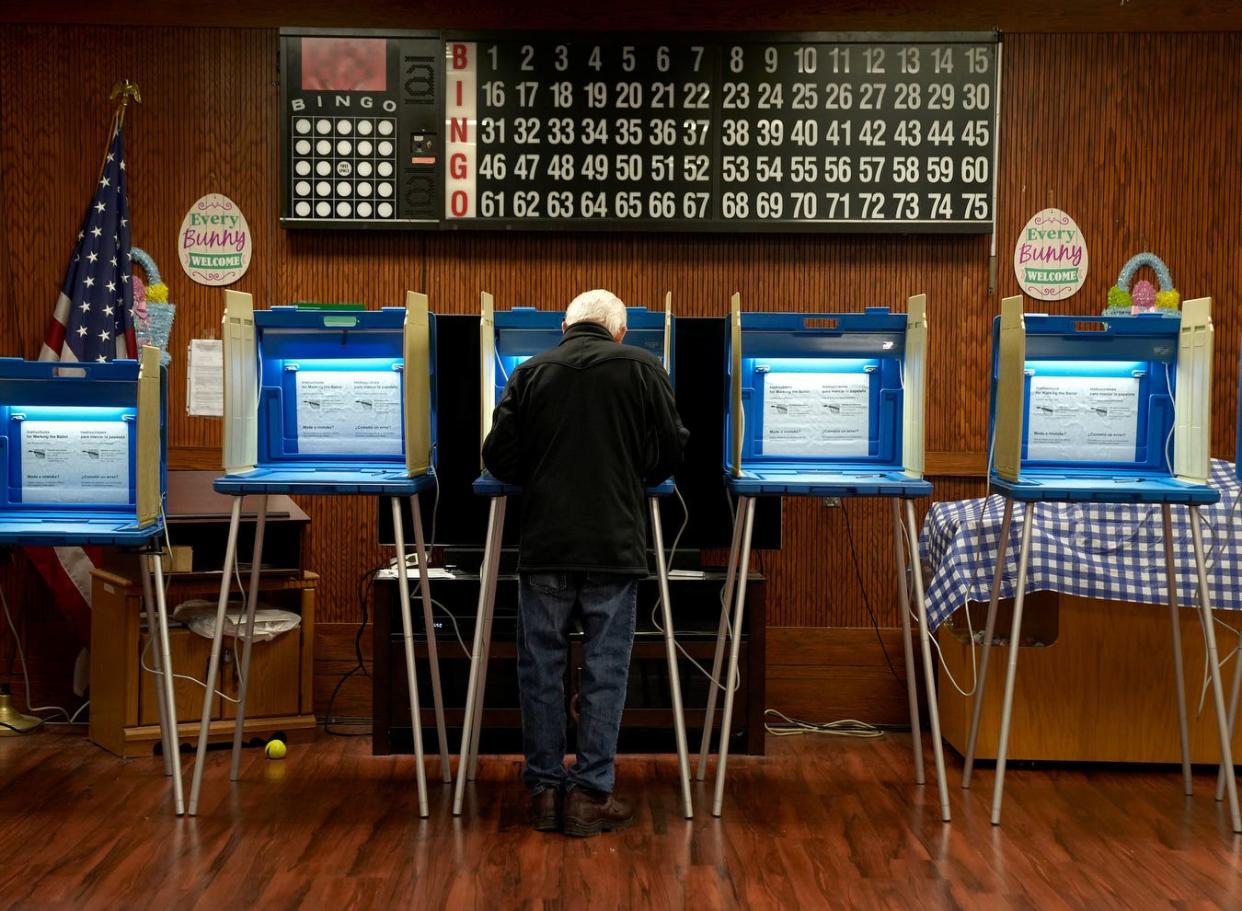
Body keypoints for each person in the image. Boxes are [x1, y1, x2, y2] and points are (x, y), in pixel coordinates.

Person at [481, 289, 689, 837]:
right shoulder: (644, 367)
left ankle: (545, 792)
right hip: (614, 543)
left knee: (540, 668)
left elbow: (497, 456)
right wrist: (628, 466)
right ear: (619, 331)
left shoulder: (529, 372)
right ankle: (591, 794)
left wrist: (543, 466)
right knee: (605, 670)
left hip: (546, 543)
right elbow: (672, 450)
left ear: (564, 324)